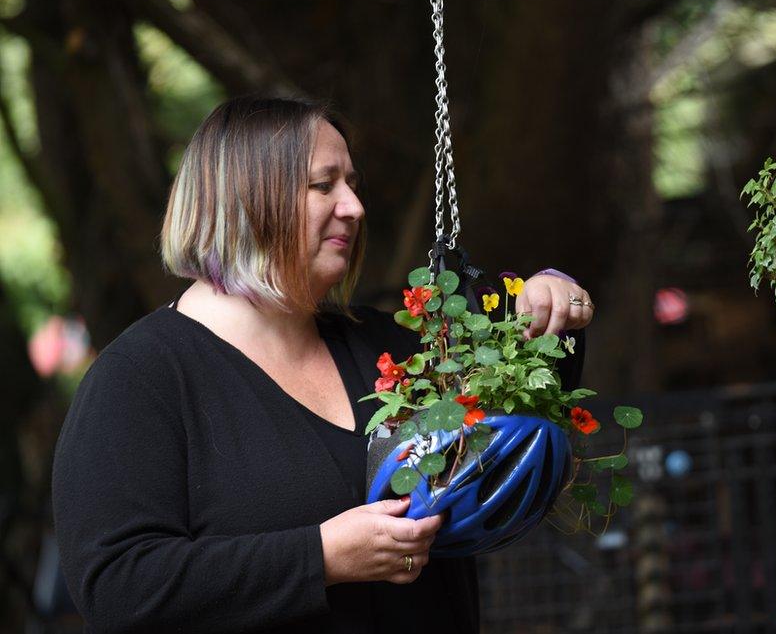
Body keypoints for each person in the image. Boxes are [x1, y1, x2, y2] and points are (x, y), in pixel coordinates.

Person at [51, 96, 595, 633]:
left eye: (352, 185)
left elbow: (521, 430)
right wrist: (321, 558)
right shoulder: (141, 378)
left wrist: (552, 301)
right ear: (243, 199)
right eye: (323, 184)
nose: (354, 207)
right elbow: (118, 587)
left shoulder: (383, 345)